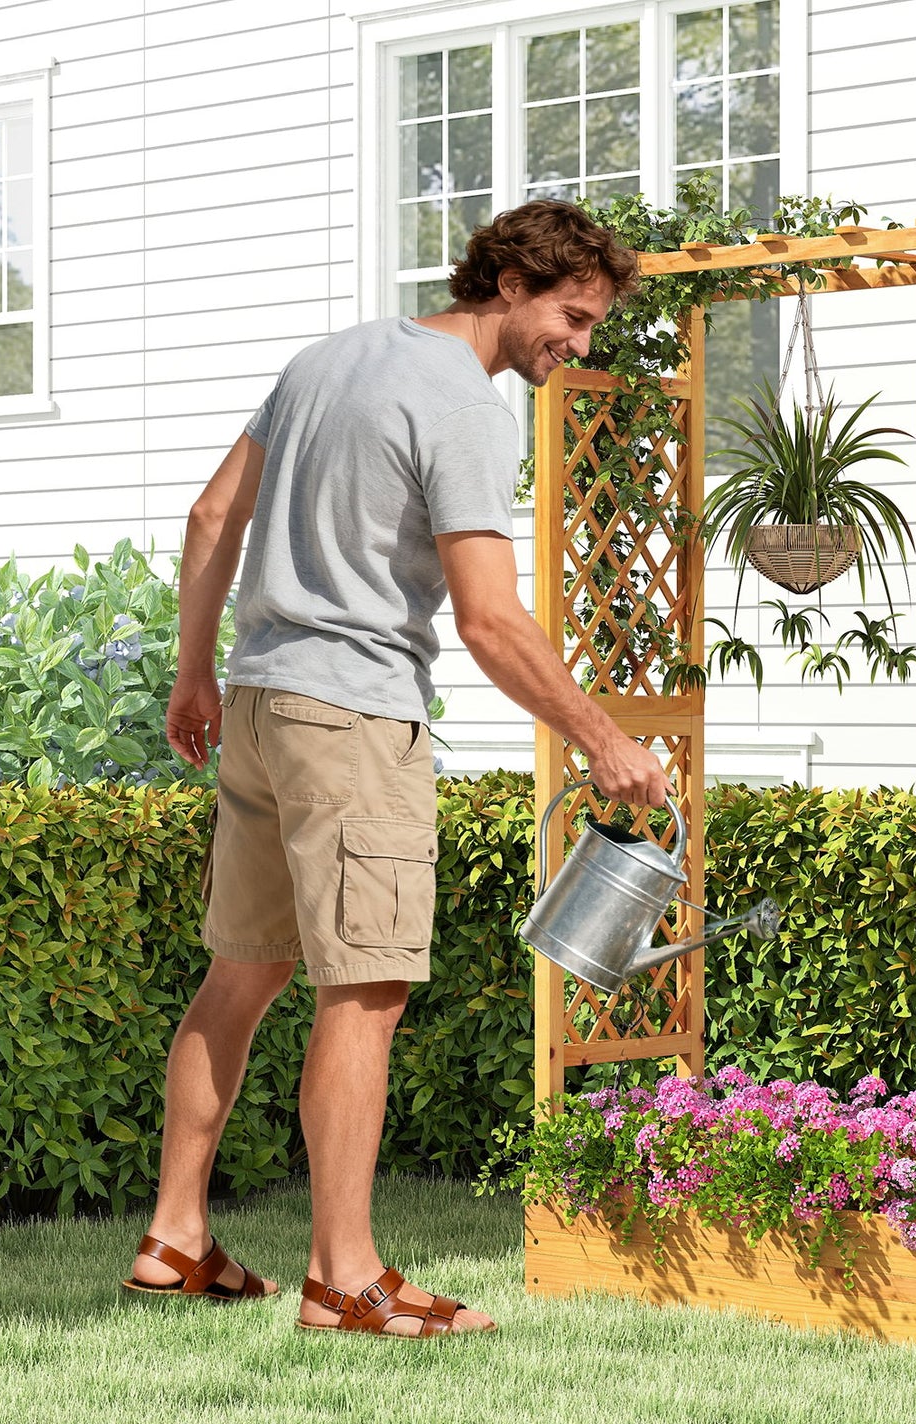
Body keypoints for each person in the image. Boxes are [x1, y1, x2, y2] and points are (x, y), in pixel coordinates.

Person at [122, 200, 667, 1338]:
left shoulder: (330, 357)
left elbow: (211, 512)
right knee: (363, 991)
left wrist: (194, 675)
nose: (580, 345)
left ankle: (175, 1237)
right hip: (354, 717)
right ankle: (347, 1276)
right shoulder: (465, 401)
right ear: (512, 280)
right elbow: (485, 617)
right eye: (572, 316)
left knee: (241, 973)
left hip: (264, 698)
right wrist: (603, 738)